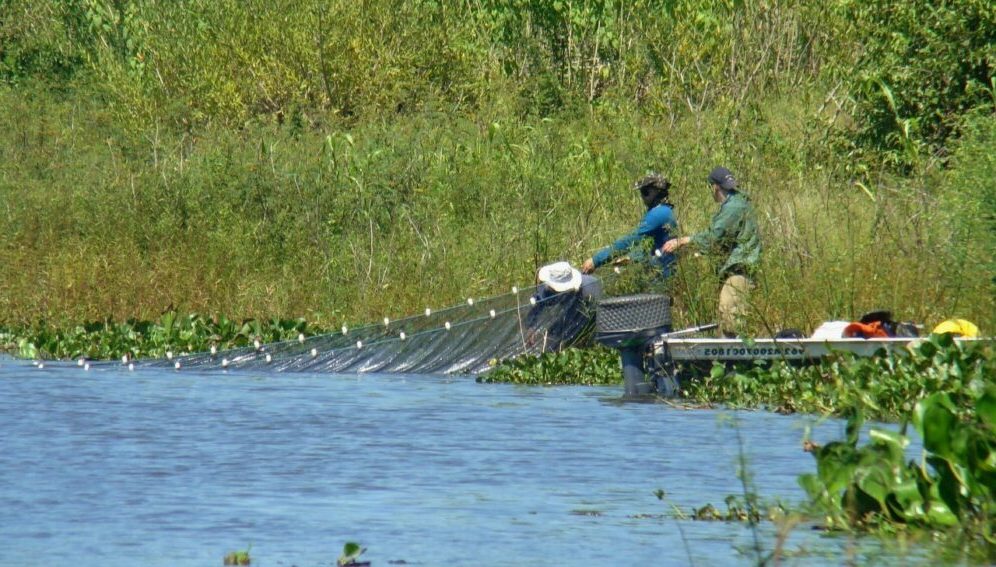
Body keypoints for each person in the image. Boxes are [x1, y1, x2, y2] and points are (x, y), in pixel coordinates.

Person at [662, 166, 761, 337]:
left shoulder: (733, 207)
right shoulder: (738, 202)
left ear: (714, 187)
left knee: (731, 320)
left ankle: (733, 361)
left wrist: (684, 241)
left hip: (739, 270)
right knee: (727, 319)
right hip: (735, 269)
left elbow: (714, 236)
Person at [581, 172, 678, 279]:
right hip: (660, 269)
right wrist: (632, 258)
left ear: (656, 191)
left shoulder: (659, 214)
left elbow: (631, 240)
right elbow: (651, 244)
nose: (642, 196)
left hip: (662, 275)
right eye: (641, 192)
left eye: (645, 192)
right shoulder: (663, 210)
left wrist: (596, 260)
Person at [524, 261, 603, 351]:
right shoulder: (548, 289)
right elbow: (538, 303)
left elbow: (591, 317)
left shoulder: (588, 290)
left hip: (586, 316)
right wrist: (531, 327)